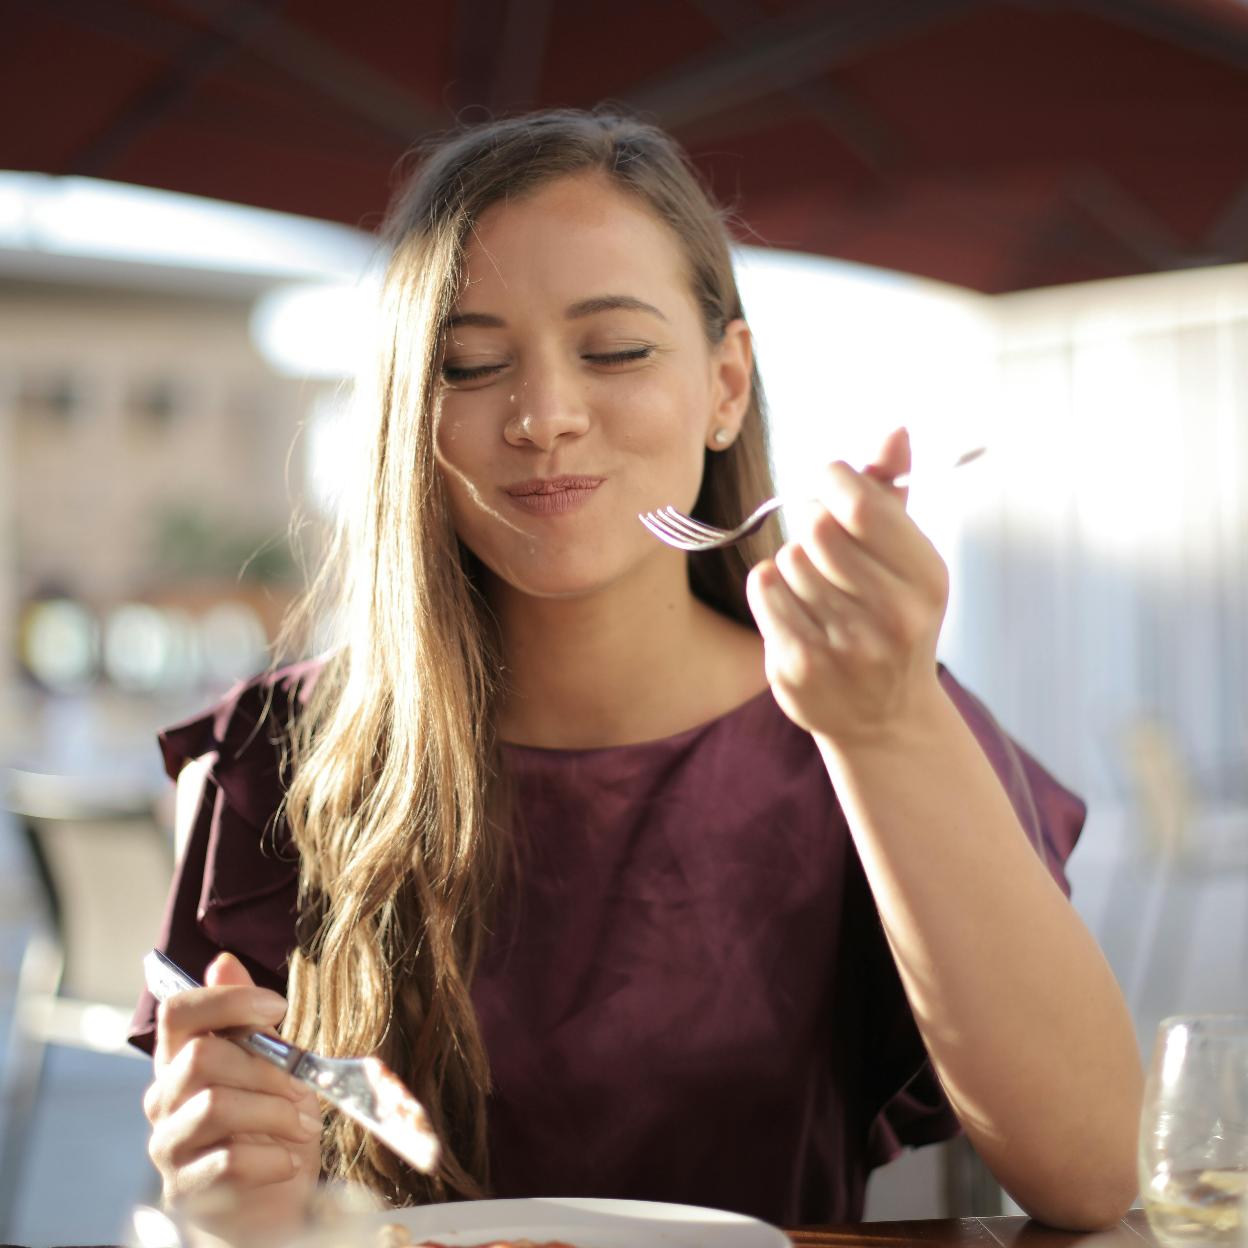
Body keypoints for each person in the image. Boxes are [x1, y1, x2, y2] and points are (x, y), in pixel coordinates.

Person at [130, 108, 1142, 1237]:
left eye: (615, 350)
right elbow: (244, 1202)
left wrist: (887, 728)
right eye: (471, 365)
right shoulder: (277, 756)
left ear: (726, 385)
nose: (545, 418)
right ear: (412, 415)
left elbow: (1094, 1171)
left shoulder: (868, 713)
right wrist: (226, 1193)